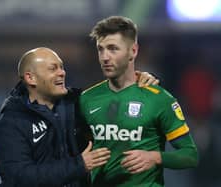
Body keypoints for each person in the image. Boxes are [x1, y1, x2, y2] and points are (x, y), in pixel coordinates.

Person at [0, 46, 159, 187]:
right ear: (31, 78)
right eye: (53, 69)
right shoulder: (14, 120)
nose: (62, 73)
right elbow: (19, 177)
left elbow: (117, 103)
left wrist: (139, 83)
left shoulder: (76, 103)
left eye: (62, 67)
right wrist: (79, 165)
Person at [79, 16, 198, 187]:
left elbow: (190, 155)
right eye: (101, 49)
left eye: (113, 49)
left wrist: (155, 157)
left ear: (133, 51)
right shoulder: (87, 99)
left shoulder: (159, 99)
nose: (105, 57)